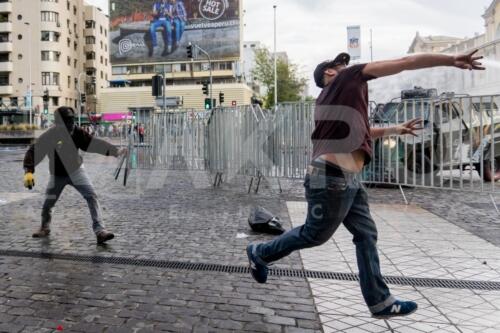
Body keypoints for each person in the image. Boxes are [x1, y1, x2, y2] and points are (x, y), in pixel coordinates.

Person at [246, 50, 484, 319]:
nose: (348, 65)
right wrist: (451, 60)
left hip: (346, 179)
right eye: (341, 64)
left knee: (366, 234)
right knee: (315, 235)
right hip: (331, 177)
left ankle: (380, 301)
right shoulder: (348, 78)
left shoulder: (331, 99)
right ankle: (260, 252)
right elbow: (405, 62)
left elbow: (362, 131)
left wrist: (395, 129)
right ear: (330, 73)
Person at [23, 107, 127, 244]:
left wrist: (116, 151)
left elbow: (94, 144)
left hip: (76, 171)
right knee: (49, 202)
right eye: (67, 122)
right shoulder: (50, 135)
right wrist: (28, 171)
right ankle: (44, 227)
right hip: (57, 174)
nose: (70, 125)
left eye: (71, 121)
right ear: (58, 123)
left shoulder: (77, 132)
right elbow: (34, 151)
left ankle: (100, 231)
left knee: (91, 196)